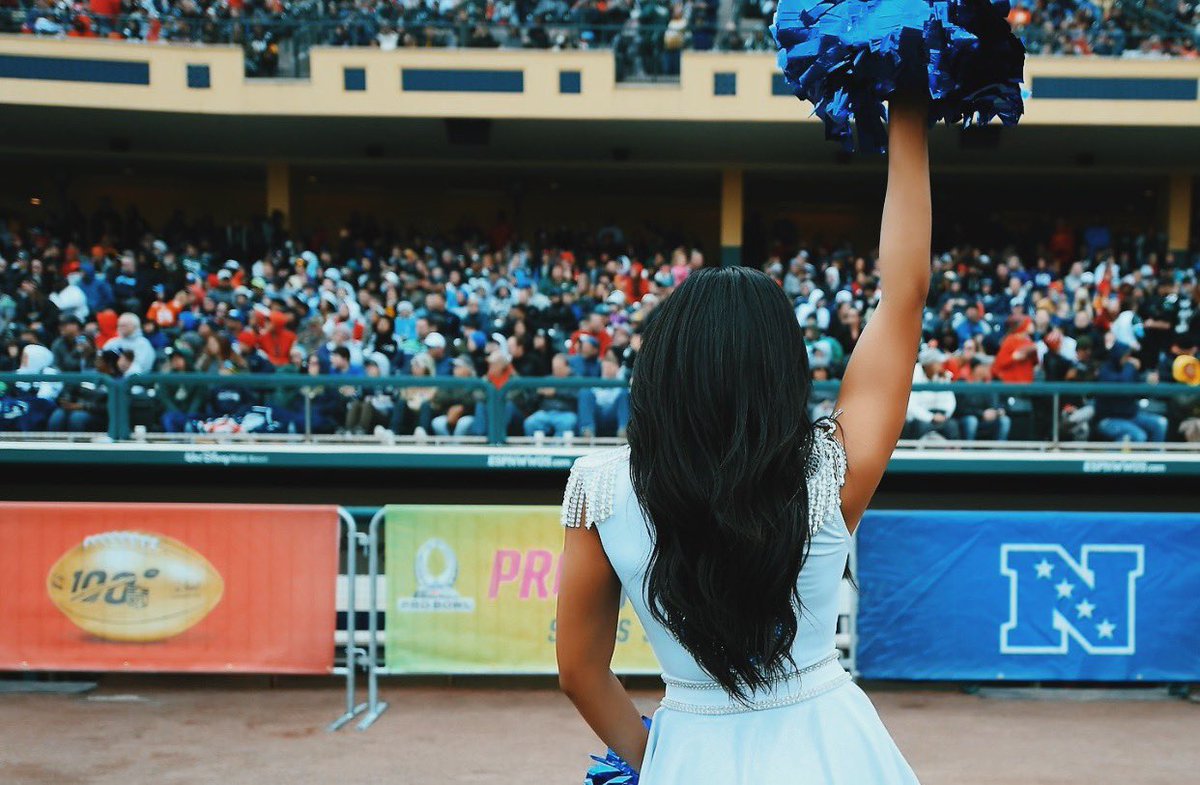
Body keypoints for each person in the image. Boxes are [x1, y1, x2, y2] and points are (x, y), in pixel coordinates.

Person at [555, 98, 928, 783]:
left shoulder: (598, 485)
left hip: (691, 748)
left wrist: (656, 756)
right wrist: (907, 109)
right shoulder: (830, 470)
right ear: (781, 370)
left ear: (662, 363)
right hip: (835, 747)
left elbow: (579, 670)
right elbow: (903, 293)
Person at [1093, 342, 1167, 443]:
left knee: (1160, 423)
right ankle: (1112, 458)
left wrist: (1148, 382)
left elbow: (1139, 391)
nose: (1128, 359)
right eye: (1125, 356)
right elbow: (1122, 386)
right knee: (1138, 436)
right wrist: (1130, 367)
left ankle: (1155, 458)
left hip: (1131, 415)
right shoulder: (1105, 370)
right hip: (1109, 419)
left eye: (1129, 356)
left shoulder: (1128, 369)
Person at [577, 348, 630, 439]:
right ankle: (587, 432)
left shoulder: (622, 380)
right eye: (605, 366)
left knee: (624, 395)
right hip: (598, 415)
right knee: (585, 393)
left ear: (617, 367)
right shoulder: (597, 382)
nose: (607, 368)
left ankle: (623, 432)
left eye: (611, 366)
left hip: (614, 414)